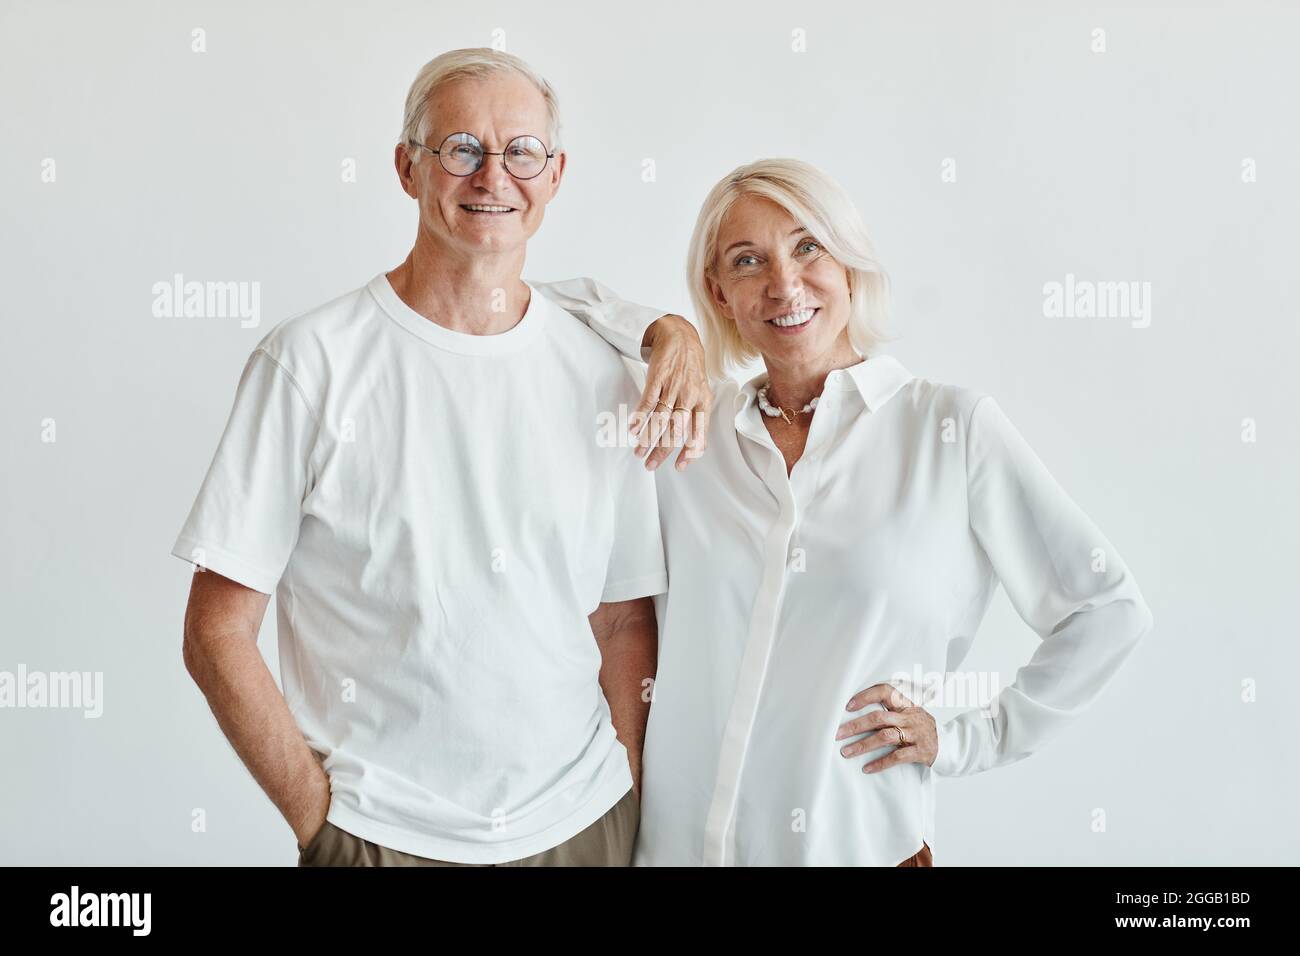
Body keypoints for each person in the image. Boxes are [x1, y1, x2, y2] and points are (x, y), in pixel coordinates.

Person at [172, 47, 711, 867]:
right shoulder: (311, 363)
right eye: (460, 148)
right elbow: (217, 629)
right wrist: (320, 821)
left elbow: (621, 614)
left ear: (556, 173)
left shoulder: (604, 373)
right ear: (406, 167)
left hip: (582, 827)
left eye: (521, 151)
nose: (493, 175)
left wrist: (626, 782)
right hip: (381, 837)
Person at [579, 158, 1155, 865]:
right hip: (674, 851)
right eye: (747, 259)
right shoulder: (693, 433)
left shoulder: (949, 429)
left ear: (850, 264)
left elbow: (1108, 608)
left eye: (808, 247)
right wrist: (667, 331)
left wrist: (969, 737)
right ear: (719, 294)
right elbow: (539, 302)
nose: (784, 283)